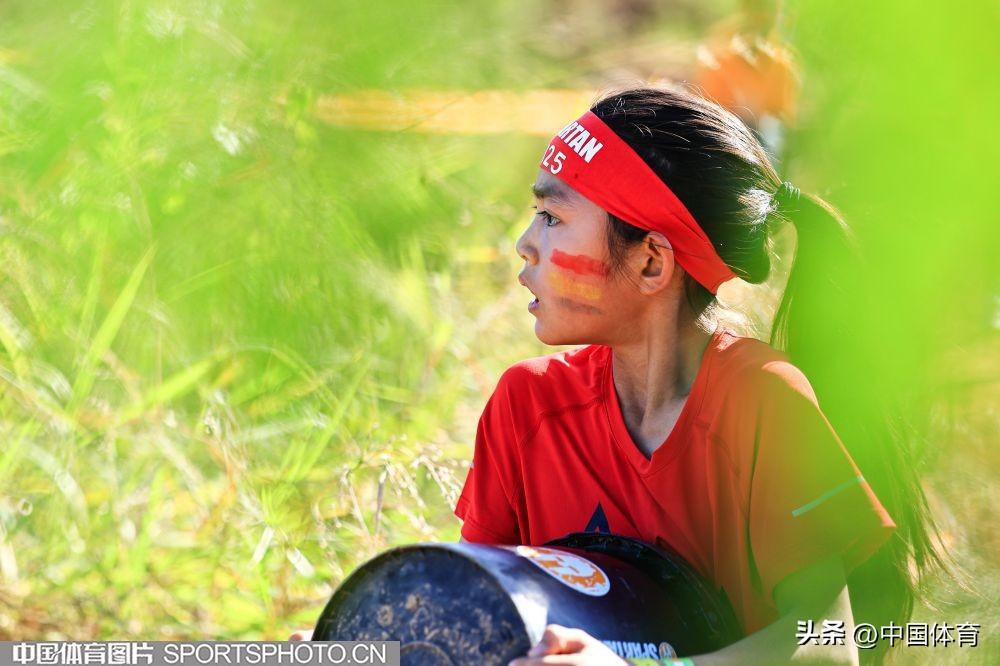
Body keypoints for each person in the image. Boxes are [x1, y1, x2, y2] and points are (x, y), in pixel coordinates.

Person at [454, 87, 939, 665]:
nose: (525, 245)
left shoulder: (761, 400)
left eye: (552, 217)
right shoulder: (527, 405)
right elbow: (466, 618)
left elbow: (827, 649)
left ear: (651, 262)